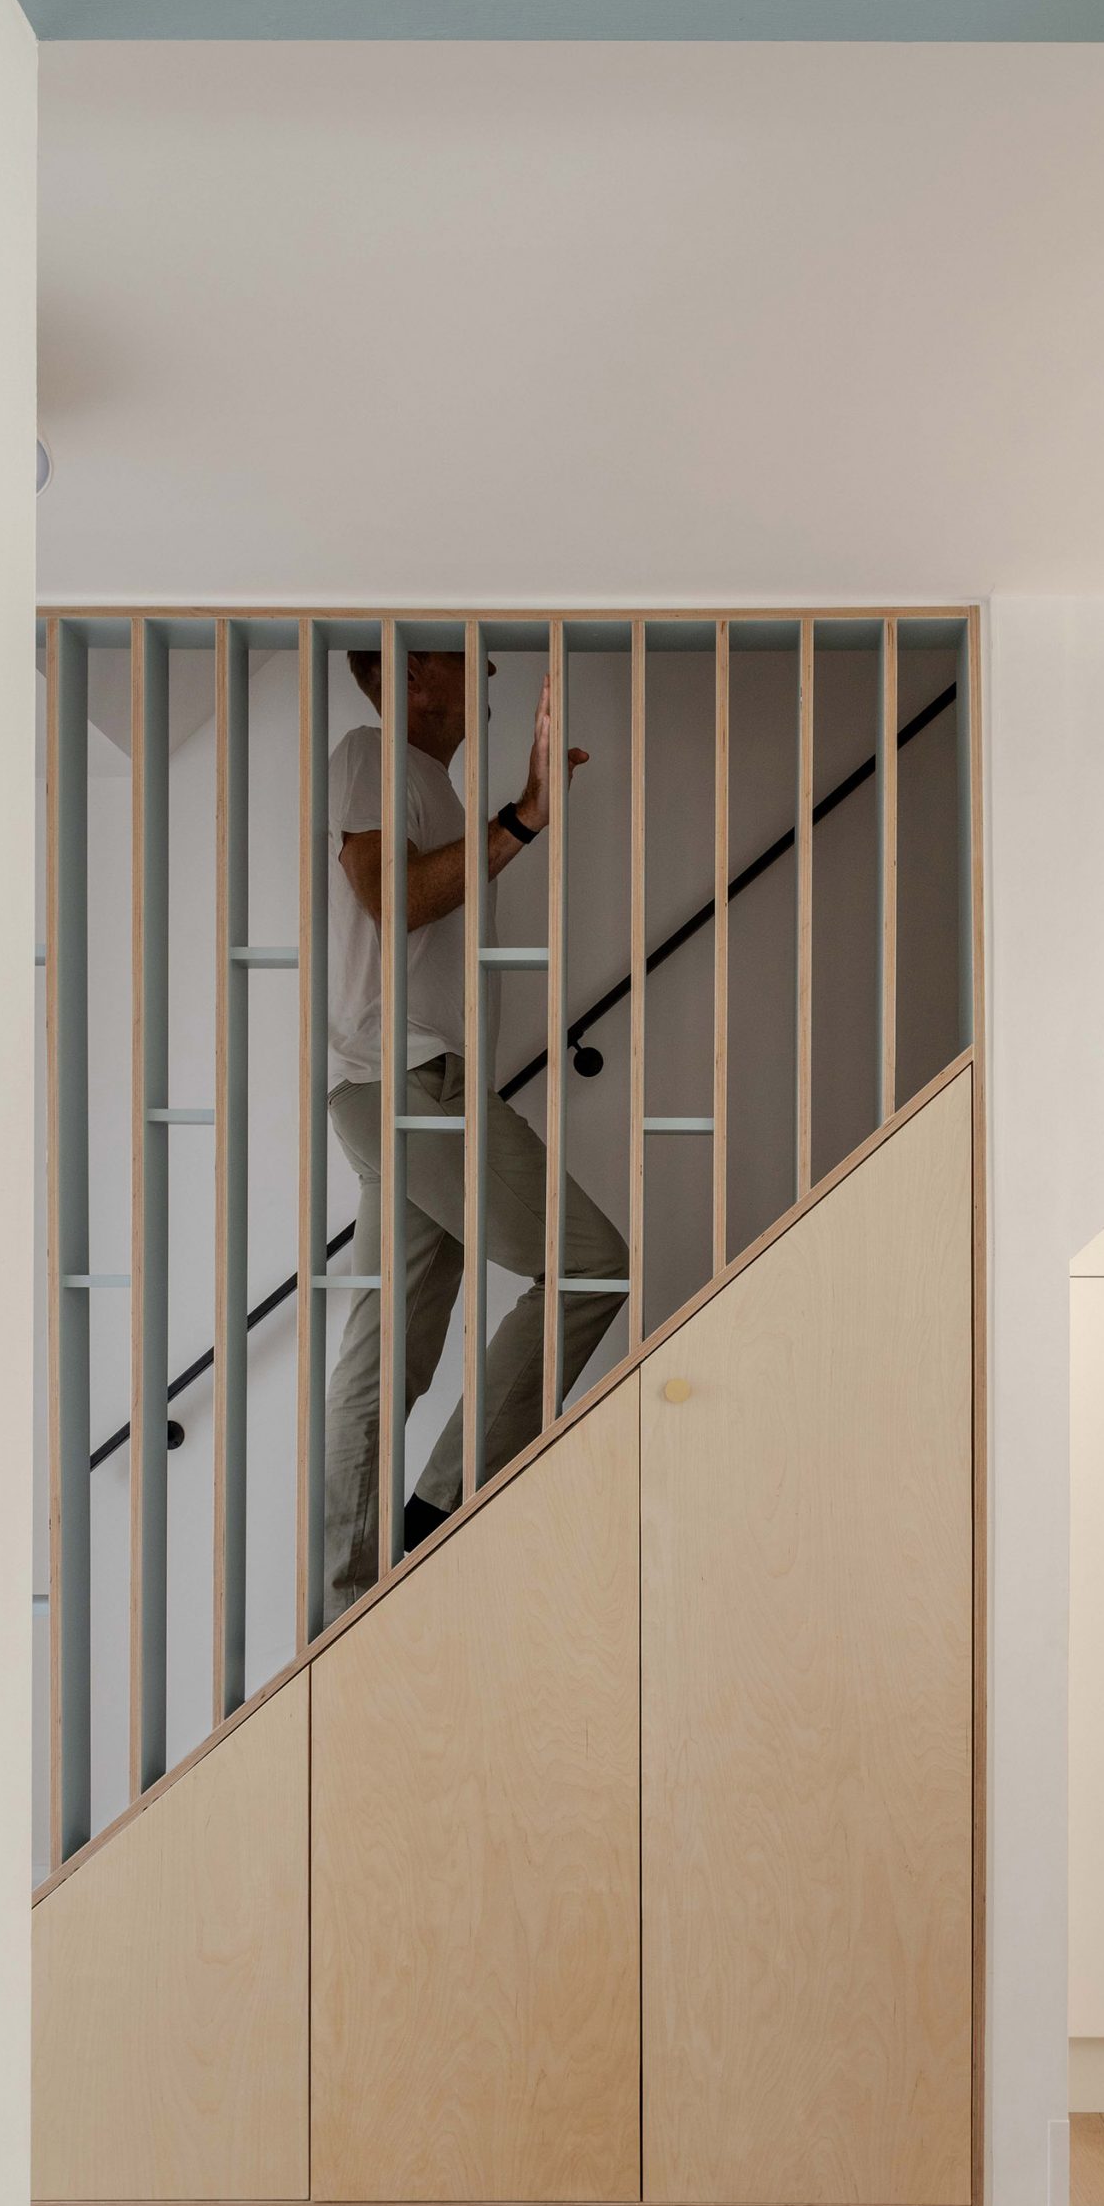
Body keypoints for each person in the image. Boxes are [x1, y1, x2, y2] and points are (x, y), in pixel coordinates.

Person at [320, 648, 628, 1619]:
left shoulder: (425, 786)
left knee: (387, 1358)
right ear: (409, 674)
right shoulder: (374, 751)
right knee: (587, 1265)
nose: (489, 669)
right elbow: (390, 894)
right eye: (468, 657)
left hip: (403, 1088)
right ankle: (442, 1510)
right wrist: (523, 816)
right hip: (412, 1087)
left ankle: (348, 1606)